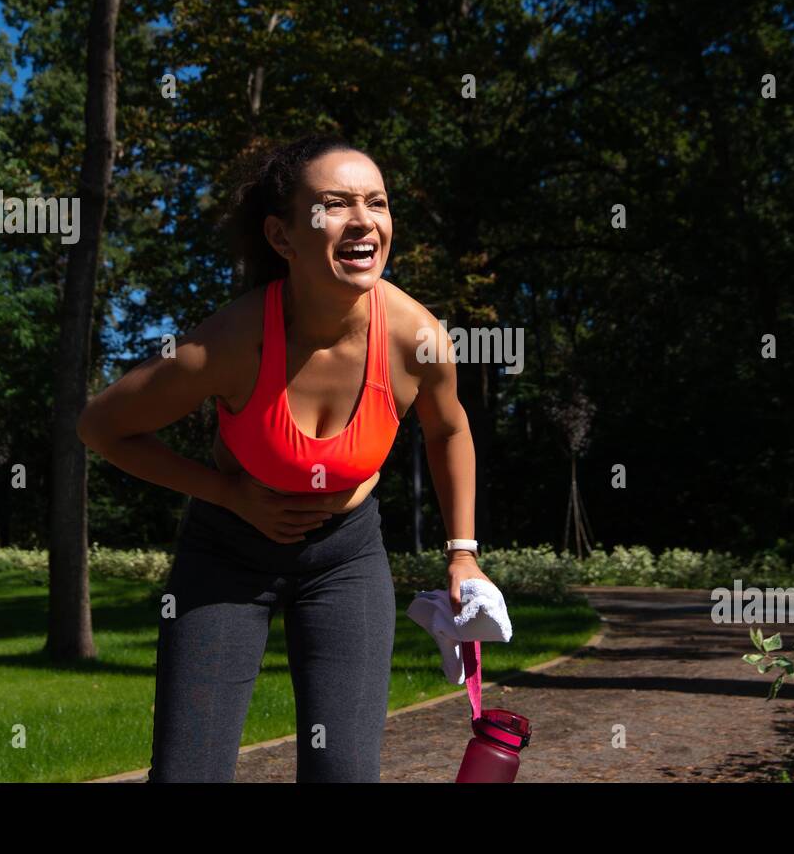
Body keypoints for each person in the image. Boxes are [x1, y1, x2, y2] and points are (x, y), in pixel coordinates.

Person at [77, 134, 489, 782]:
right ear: (283, 236)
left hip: (346, 558)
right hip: (227, 555)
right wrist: (230, 494)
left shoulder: (417, 338)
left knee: (344, 772)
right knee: (189, 774)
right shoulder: (230, 340)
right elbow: (102, 426)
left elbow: (449, 430)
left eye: (376, 203)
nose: (364, 221)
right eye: (335, 204)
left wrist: (461, 549)